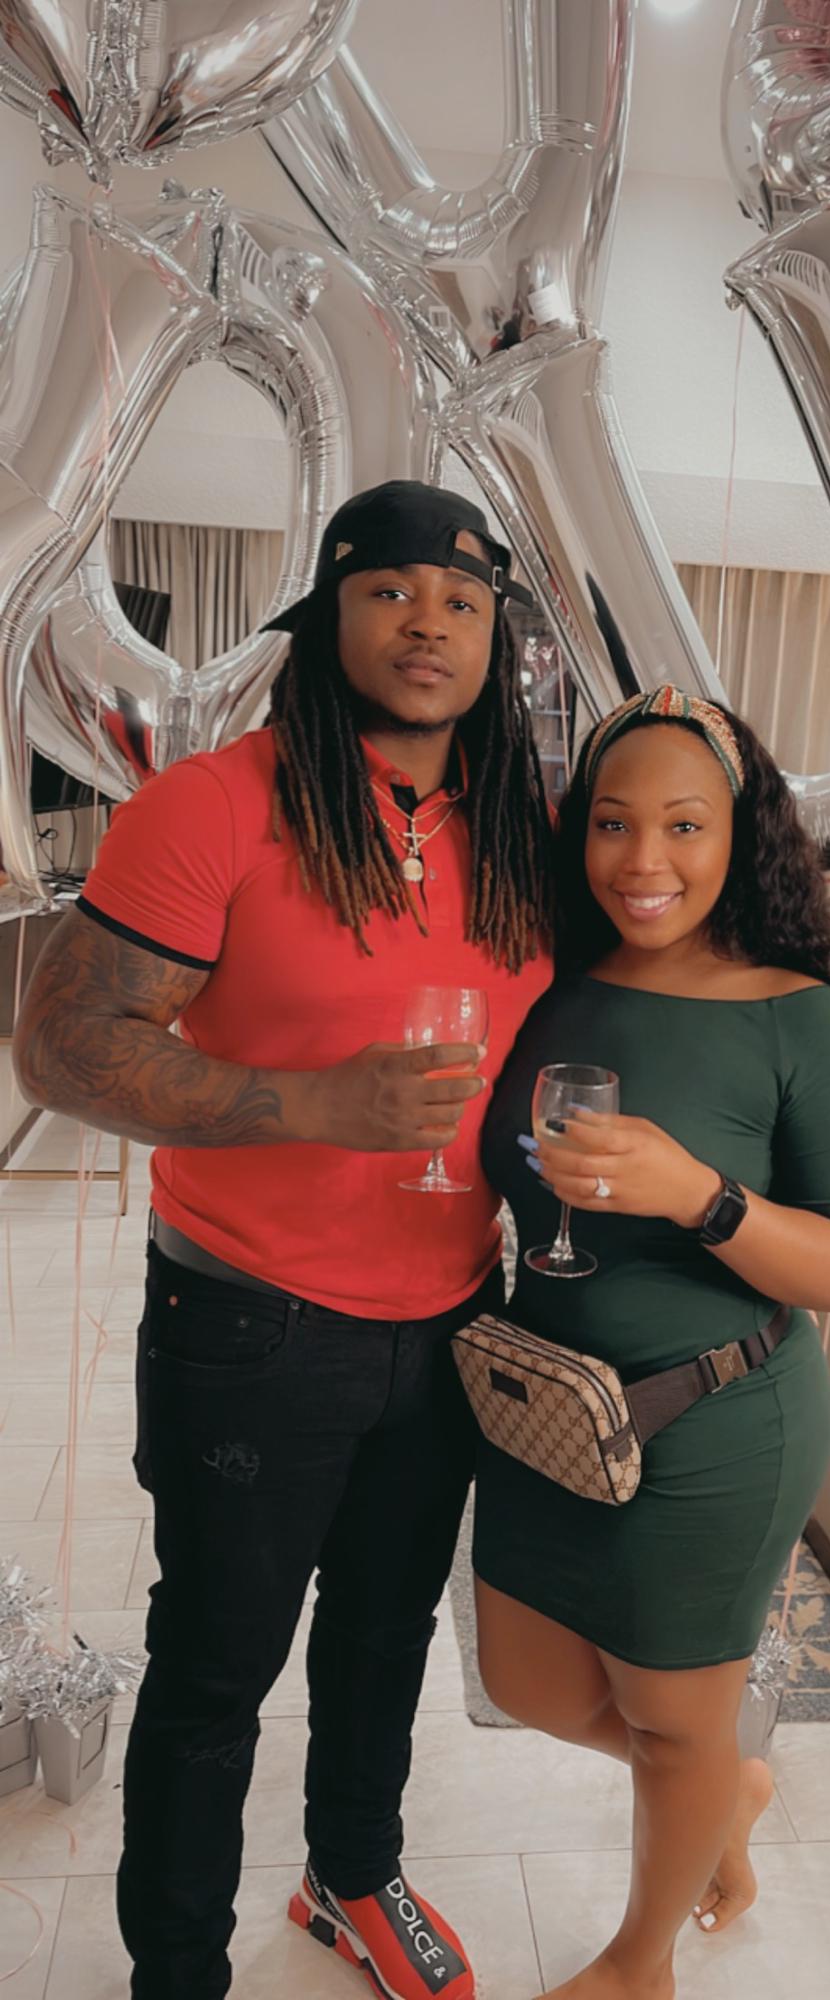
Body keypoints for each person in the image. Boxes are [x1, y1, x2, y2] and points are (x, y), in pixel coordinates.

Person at [12, 481, 555, 2000]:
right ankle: (178, 1972)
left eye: (461, 601)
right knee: (215, 1667)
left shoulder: (521, 826)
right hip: (252, 1326)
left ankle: (352, 1880)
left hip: (453, 1313)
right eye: (389, 591)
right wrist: (311, 1100)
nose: (428, 622)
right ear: (327, 619)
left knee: (385, 1641)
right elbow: (59, 1048)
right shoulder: (215, 804)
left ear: (495, 638)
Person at [476, 684, 830, 2000]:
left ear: (741, 835)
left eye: (684, 825)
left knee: (673, 1718)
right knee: (528, 1682)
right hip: (553, 1405)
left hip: (719, 1422)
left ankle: (638, 1965)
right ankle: (729, 1784)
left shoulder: (802, 1019)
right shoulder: (551, 983)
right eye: (614, 823)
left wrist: (699, 1197)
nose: (643, 860)